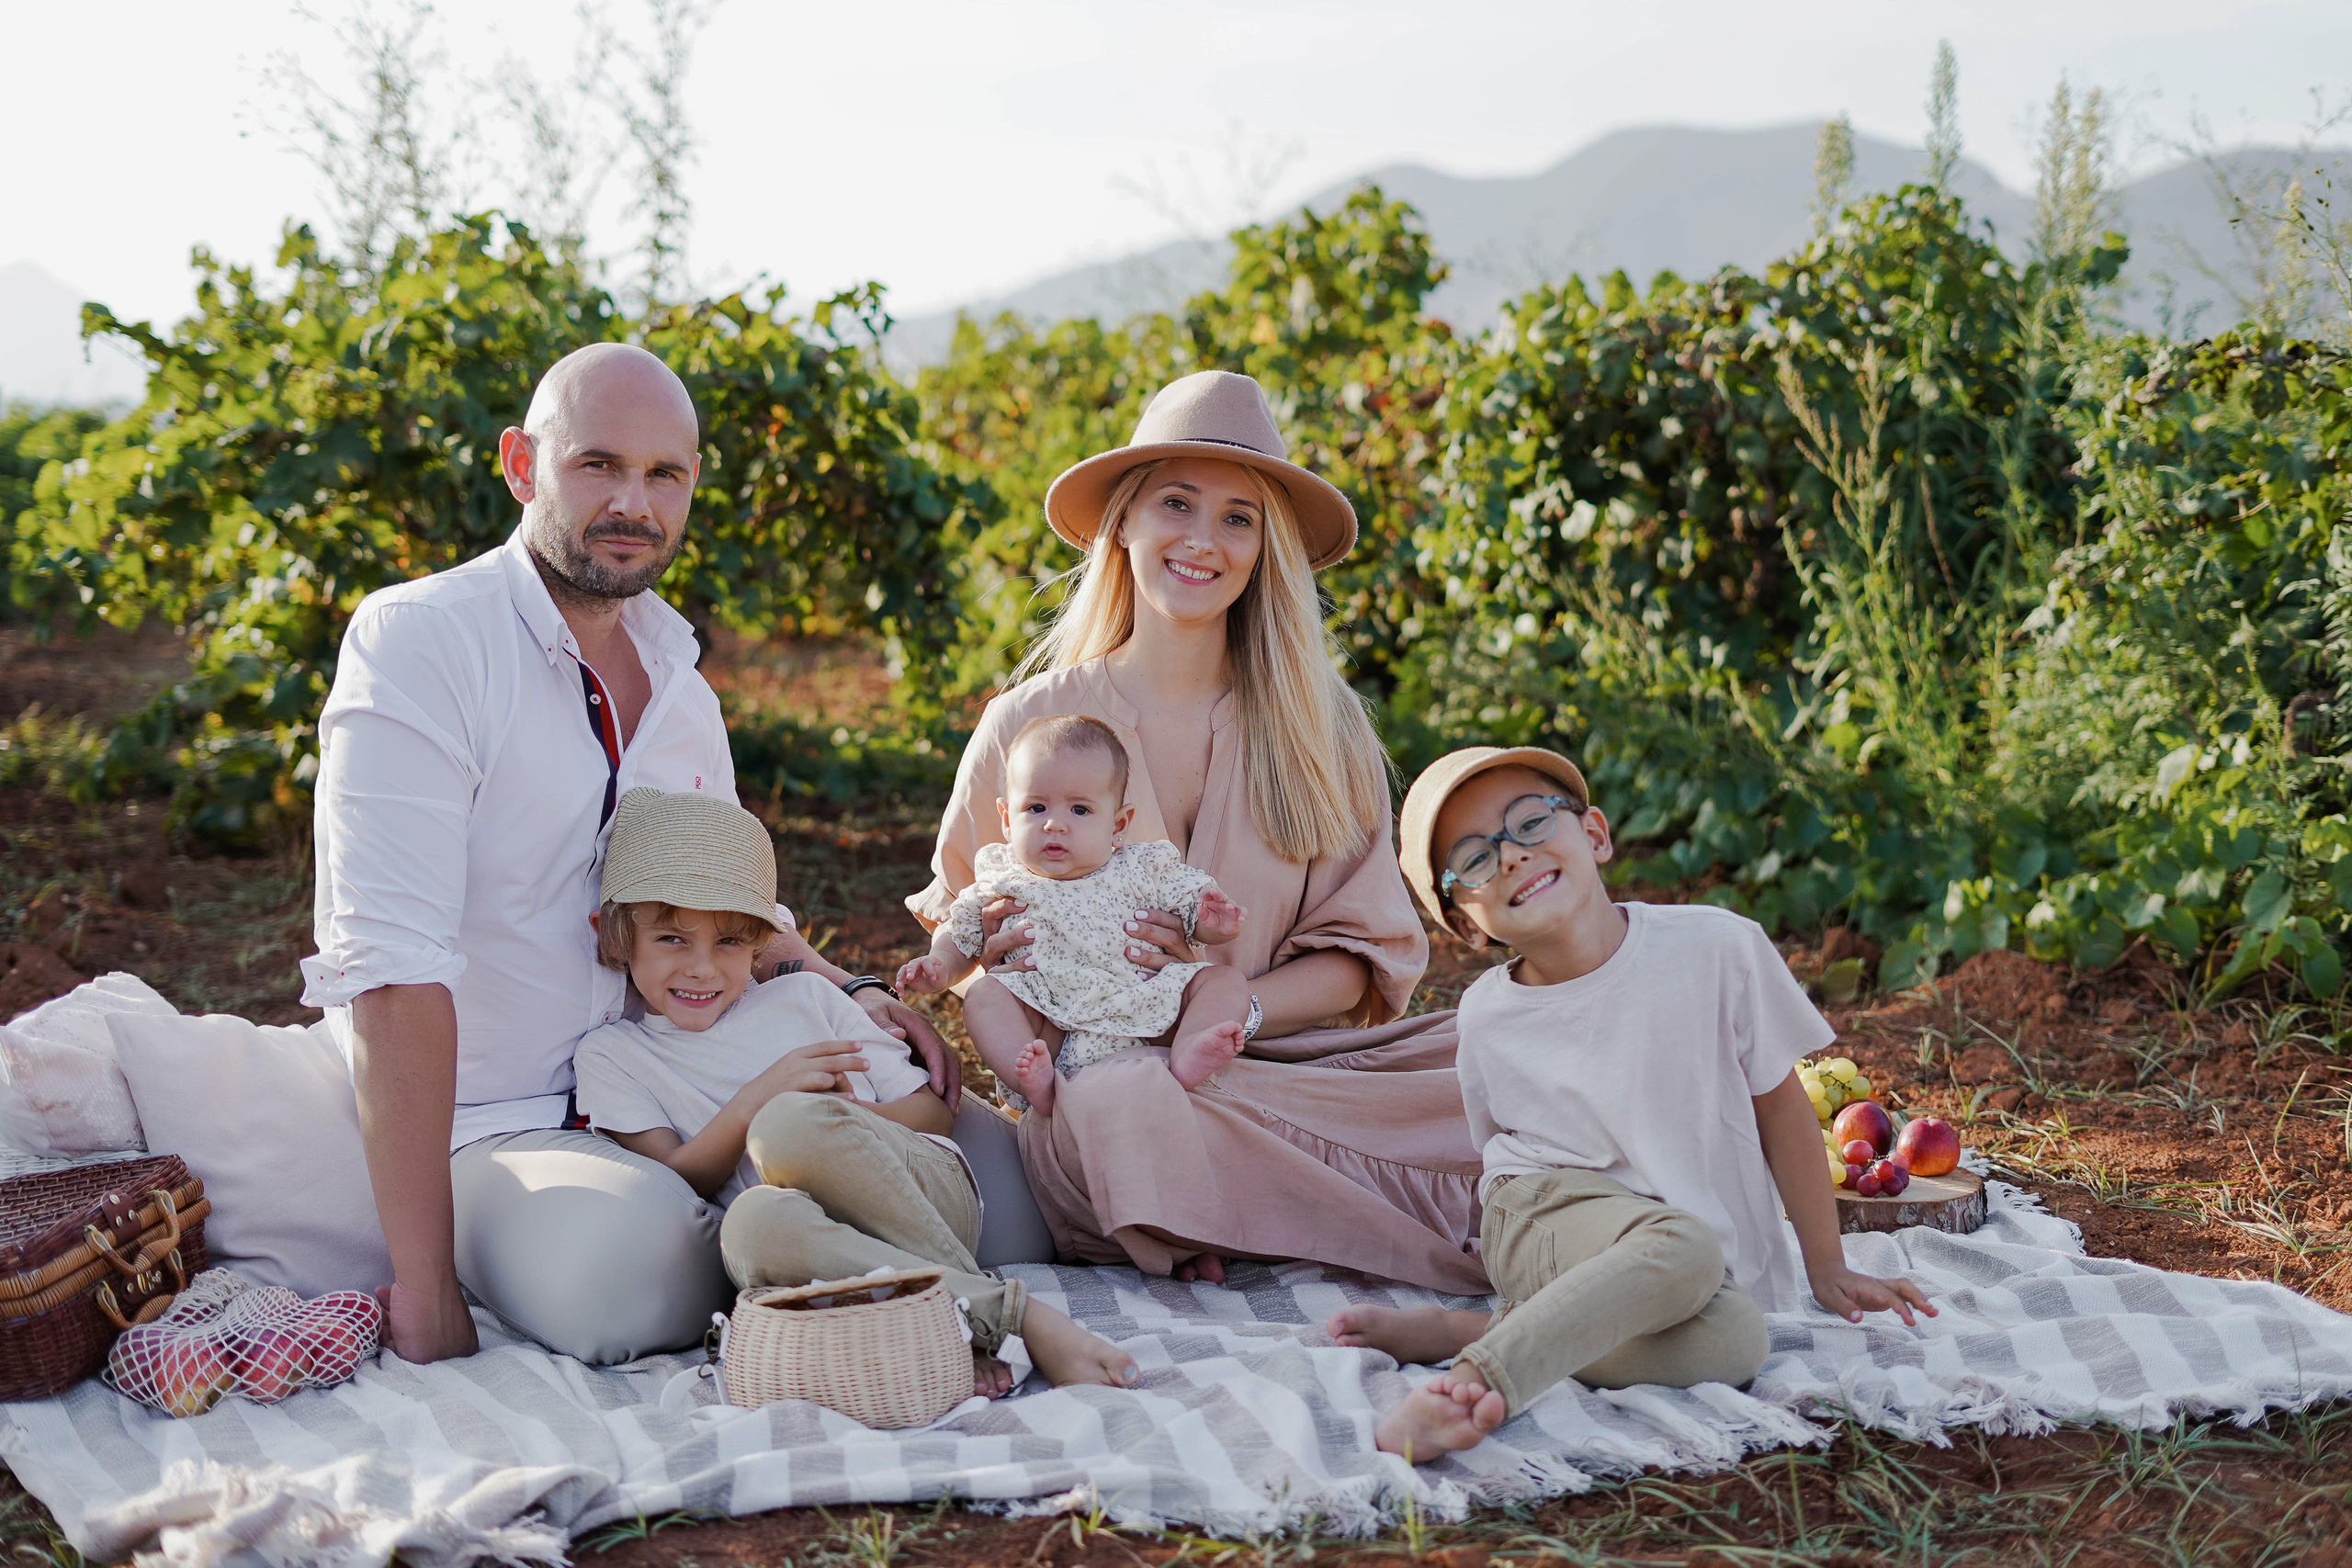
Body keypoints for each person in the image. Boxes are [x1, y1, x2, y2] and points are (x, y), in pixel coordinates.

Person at [301, 343, 958, 1366]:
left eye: (665, 474)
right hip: (505, 1115)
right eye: (597, 464)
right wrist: (422, 1289)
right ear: (521, 466)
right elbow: (390, 967)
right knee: (627, 1284)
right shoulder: (423, 642)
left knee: (989, 1173)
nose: (633, 503)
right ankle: (825, 1261)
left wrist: (853, 984)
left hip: (691, 1067)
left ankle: (824, 1253)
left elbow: (727, 903)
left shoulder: (681, 682)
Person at [910, 369, 1490, 1295]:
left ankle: (1239, 1213)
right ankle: (1418, 1235)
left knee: (1495, 1052)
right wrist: (1021, 986)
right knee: (1127, 1099)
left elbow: (1358, 963)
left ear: (1266, 551)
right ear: (1124, 523)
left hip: (1282, 1076)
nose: (1202, 541)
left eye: (1238, 518)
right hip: (1101, 1096)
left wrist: (1231, 1012)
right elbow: (971, 941)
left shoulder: (1322, 728)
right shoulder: (1026, 725)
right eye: (1176, 503)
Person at [1329, 746, 1936, 1459]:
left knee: (1738, 1338)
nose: (1514, 855)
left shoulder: (1718, 947)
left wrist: (1826, 1265)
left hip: (1674, 1260)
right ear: (1467, 922)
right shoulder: (1488, 1015)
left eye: (1529, 821)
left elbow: (1782, 1108)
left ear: (1594, 834)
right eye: (1477, 858)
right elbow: (1500, 1148)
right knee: (1685, 1245)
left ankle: (1485, 1330)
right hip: (1542, 1217)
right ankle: (1476, 1378)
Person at [572, 787, 1136, 1393]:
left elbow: (931, 1113)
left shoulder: (807, 997)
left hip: (918, 1191)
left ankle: (997, 1322)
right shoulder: (614, 1055)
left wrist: (850, 1120)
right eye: (672, 939)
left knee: (791, 1126)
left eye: (729, 941)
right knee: (748, 1225)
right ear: (614, 931)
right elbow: (676, 1175)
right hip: (823, 1246)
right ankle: (978, 1318)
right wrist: (757, 1099)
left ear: (762, 938)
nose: (702, 967)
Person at [895, 715, 1251, 1115]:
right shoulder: (1002, 880)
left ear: (1118, 824)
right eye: (1036, 807)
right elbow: (961, 931)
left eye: (1080, 810)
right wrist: (940, 965)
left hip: (1149, 1007)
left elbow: (1190, 909)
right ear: (1008, 820)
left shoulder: (1143, 868)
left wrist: (1214, 924)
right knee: (985, 994)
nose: (1054, 824)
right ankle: (1035, 1083)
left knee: (1224, 980)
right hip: (1051, 1023)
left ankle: (1190, 1053)